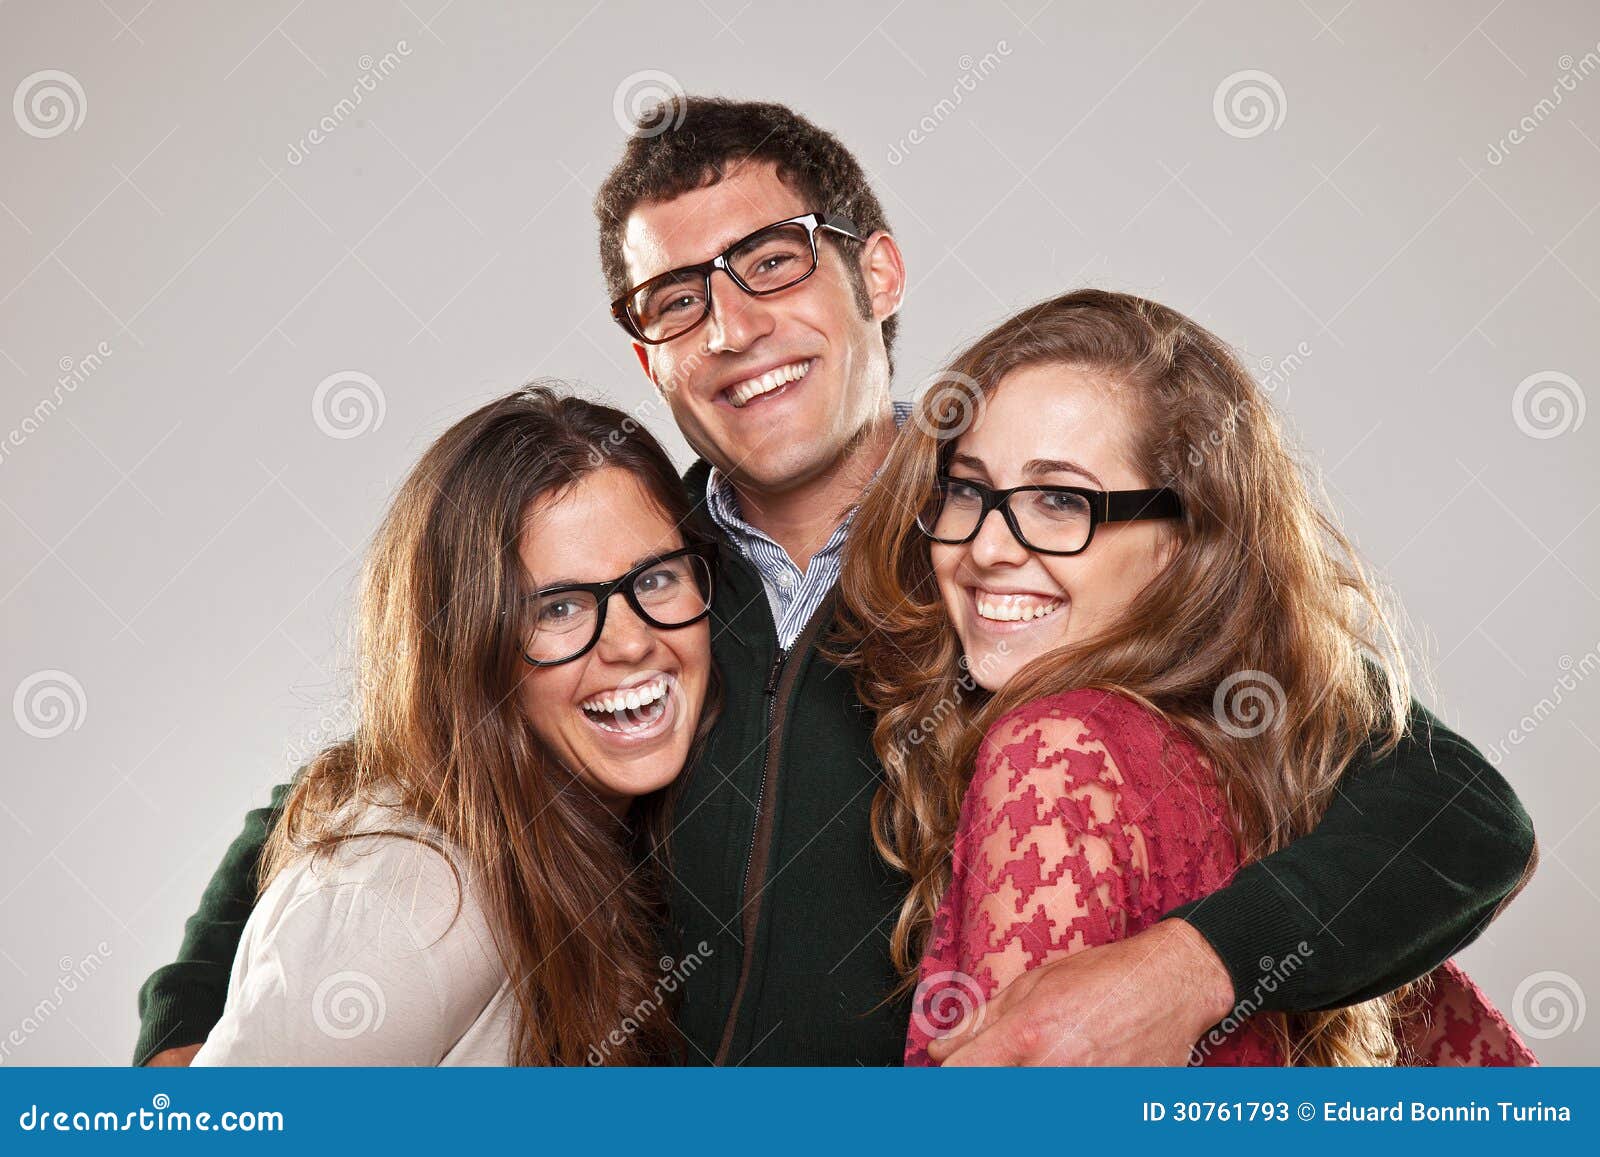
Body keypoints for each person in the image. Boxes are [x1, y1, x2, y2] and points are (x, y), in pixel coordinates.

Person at [137, 98, 1535, 1067]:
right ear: (647, 358)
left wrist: (1189, 969)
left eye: (769, 262)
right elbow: (378, 768)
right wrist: (185, 1024)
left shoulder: (1030, 558)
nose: (733, 326)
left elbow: (1455, 813)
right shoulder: (627, 588)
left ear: (876, 269)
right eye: (674, 299)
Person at [836, 289, 1536, 1065]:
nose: (989, 548)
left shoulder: (1054, 751)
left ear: (1187, 542)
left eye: (1061, 500)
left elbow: (1477, 816)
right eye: (968, 490)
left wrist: (1199, 962)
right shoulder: (1264, 750)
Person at [189, 386, 718, 1064]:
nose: (631, 642)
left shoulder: (582, 823)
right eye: (556, 609)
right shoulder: (412, 900)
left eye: (654, 579)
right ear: (469, 653)